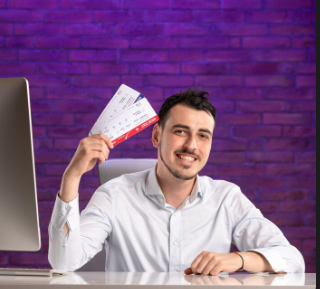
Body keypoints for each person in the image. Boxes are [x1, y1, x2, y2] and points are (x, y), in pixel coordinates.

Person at [48, 89, 305, 275]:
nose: (191, 145)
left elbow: (293, 259)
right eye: (180, 131)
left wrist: (238, 259)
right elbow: (62, 263)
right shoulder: (114, 195)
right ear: (157, 135)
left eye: (203, 136)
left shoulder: (227, 198)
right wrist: (72, 177)